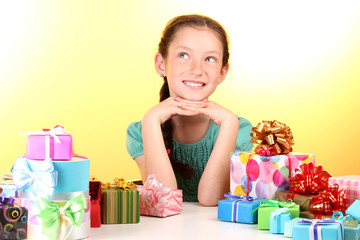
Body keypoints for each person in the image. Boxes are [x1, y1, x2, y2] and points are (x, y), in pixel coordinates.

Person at [126, 14, 253, 206]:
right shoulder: (140, 131)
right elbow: (162, 200)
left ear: (222, 73)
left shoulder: (239, 129)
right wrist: (152, 120)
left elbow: (211, 199)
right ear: (161, 64)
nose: (197, 69)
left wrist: (229, 124)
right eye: (183, 55)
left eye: (209, 59)